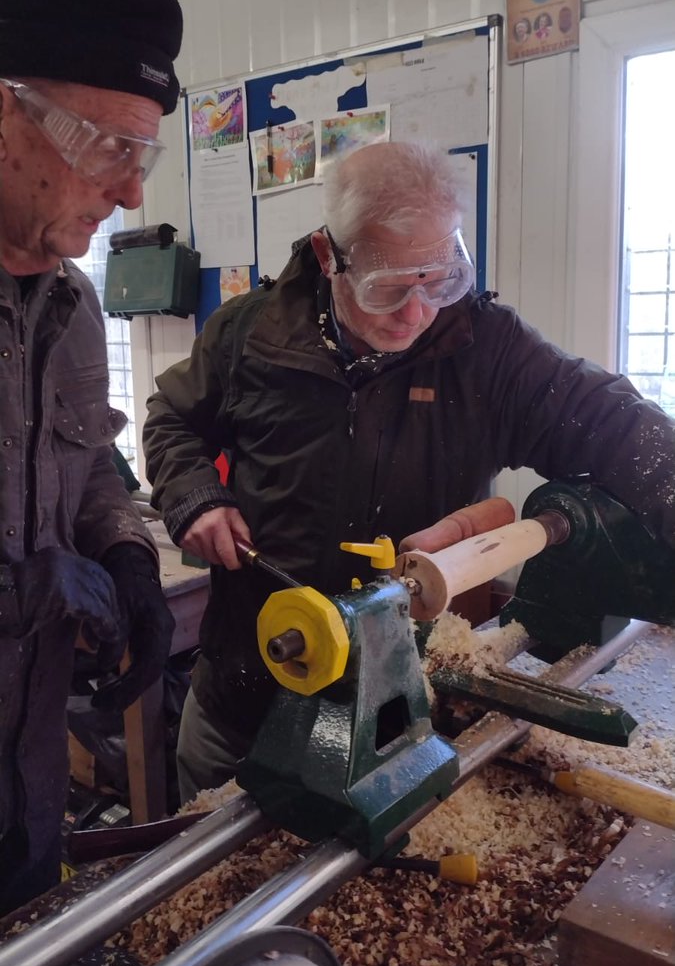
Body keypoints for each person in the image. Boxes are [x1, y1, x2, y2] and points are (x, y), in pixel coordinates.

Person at [143, 141, 675, 802]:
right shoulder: (248, 334)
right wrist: (194, 494)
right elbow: (171, 417)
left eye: (437, 280)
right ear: (326, 256)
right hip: (245, 692)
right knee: (206, 874)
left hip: (402, 709)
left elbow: (615, 426)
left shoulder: (488, 352)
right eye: (390, 288)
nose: (418, 313)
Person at [0, 0, 183, 915]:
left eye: (141, 153)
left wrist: (126, 555)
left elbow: (91, 464)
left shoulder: (70, 307)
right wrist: (20, 590)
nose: (131, 194)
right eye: (109, 145)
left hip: (26, 784)